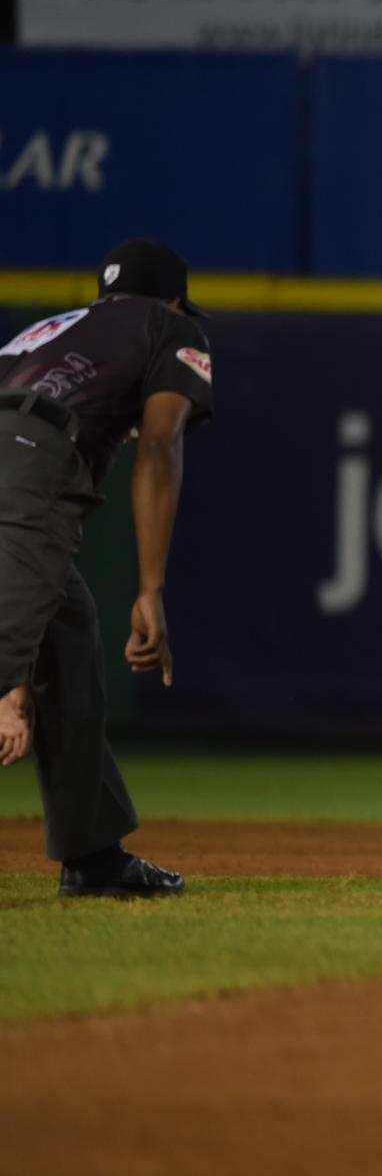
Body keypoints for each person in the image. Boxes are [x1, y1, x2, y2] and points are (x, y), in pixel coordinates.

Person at [0, 239, 214, 898]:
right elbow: (157, 446)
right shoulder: (172, 325)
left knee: (66, 630)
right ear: (173, 298)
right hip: (32, 461)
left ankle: (92, 854)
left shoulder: (45, 330)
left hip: (13, 452)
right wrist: (150, 588)